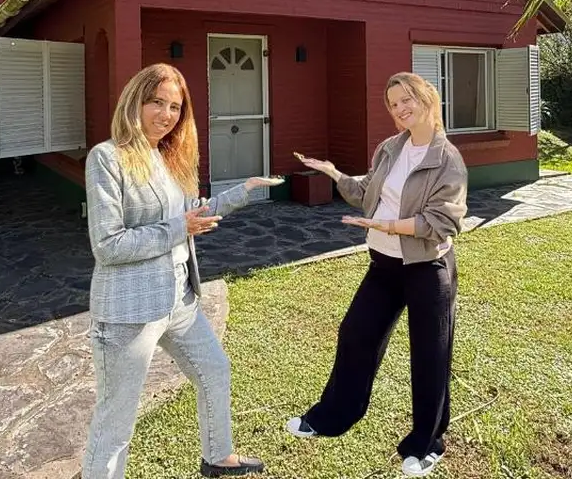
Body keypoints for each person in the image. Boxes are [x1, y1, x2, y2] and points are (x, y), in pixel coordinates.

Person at [80, 63, 276, 479]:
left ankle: (218, 456)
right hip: (130, 312)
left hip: (179, 300)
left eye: (175, 107)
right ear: (135, 101)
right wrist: (178, 228)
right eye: (157, 102)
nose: (166, 114)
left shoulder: (167, 156)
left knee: (214, 370)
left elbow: (191, 215)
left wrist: (243, 192)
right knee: (117, 420)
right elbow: (108, 245)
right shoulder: (107, 158)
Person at [285, 72, 468, 478]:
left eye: (406, 100)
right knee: (355, 333)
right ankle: (333, 416)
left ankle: (427, 443)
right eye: (393, 104)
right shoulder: (390, 148)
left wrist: (389, 226)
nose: (400, 109)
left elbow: (444, 222)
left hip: (427, 267)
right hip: (384, 265)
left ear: (426, 98)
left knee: (430, 355)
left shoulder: (447, 159)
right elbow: (368, 192)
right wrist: (335, 174)